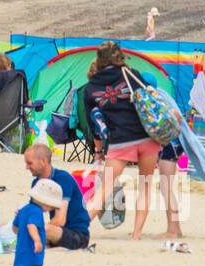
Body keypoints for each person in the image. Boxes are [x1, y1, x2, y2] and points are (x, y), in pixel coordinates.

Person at [84, 42, 162, 240]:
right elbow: (149, 98)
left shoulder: (90, 88)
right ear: (119, 57)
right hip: (146, 137)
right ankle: (136, 235)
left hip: (120, 140)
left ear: (99, 60)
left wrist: (99, 152)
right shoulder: (131, 73)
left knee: (104, 189)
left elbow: (94, 125)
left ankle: (80, 227)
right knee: (145, 185)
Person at [22, 144, 92, 250]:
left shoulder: (63, 179)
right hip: (57, 232)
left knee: (41, 229)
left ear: (43, 161)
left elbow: (60, 220)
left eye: (29, 163)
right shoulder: (36, 183)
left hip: (77, 235)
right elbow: (33, 212)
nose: (27, 167)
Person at [12, 179, 63, 266]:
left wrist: (23, 235)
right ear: (43, 201)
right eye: (50, 206)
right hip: (32, 251)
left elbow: (14, 228)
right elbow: (31, 226)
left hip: (22, 250)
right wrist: (37, 240)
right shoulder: (36, 211)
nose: (50, 209)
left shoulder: (24, 209)